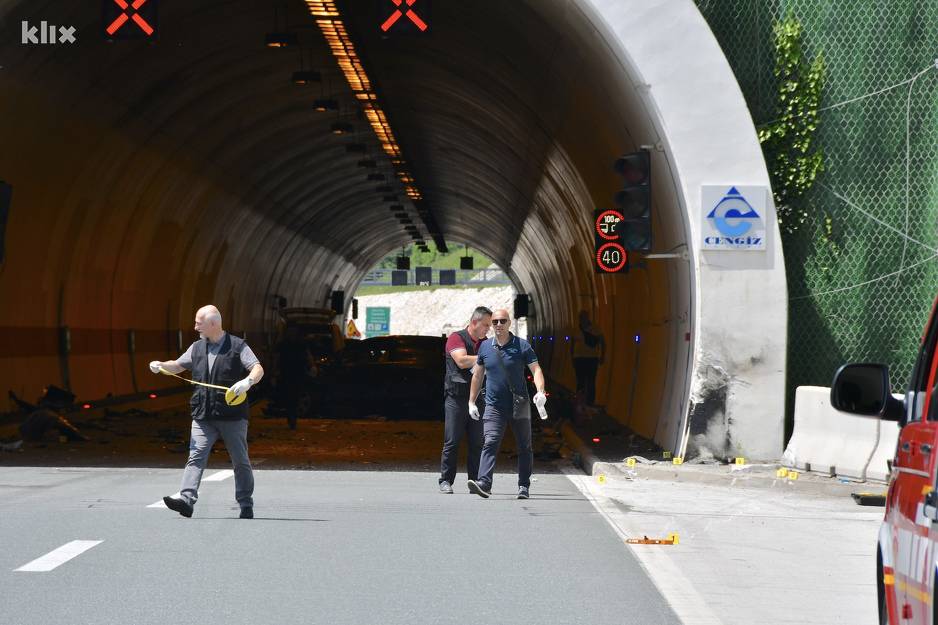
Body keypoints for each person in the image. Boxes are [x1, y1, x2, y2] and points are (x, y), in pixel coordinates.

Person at [149, 305, 264, 519]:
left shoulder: (238, 346)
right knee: (195, 456)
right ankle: (186, 500)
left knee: (240, 460)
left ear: (213, 324)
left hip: (232, 416)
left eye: (198, 323)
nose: (195, 327)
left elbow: (257, 368)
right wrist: (160, 365)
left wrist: (247, 382)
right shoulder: (196, 347)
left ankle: (245, 503)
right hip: (203, 415)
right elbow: (177, 365)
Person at [467, 309, 546, 499]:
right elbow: (478, 375)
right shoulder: (485, 347)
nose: (498, 325)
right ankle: (484, 483)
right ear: (491, 325)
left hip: (519, 404)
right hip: (494, 405)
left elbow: (536, 369)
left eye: (503, 321)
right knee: (490, 441)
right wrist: (471, 402)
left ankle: (524, 486)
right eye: (495, 322)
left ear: (509, 323)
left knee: (524, 446)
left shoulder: (522, 346)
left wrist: (540, 391)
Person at [438, 306, 492, 494]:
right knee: (452, 440)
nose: (488, 329)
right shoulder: (456, 338)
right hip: (457, 398)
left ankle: (475, 481)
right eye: (485, 325)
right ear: (474, 323)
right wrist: (485, 357)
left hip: (478, 399)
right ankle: (445, 480)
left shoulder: (487, 343)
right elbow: (461, 360)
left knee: (478, 442)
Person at [570, 310, 605, 407]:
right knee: (580, 381)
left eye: (584, 317)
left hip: (592, 358)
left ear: (587, 318)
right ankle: (580, 402)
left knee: (591, 381)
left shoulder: (595, 329)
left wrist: (602, 356)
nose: (582, 319)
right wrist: (572, 357)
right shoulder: (576, 329)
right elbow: (572, 345)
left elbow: (603, 342)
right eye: (581, 317)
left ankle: (590, 402)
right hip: (579, 359)